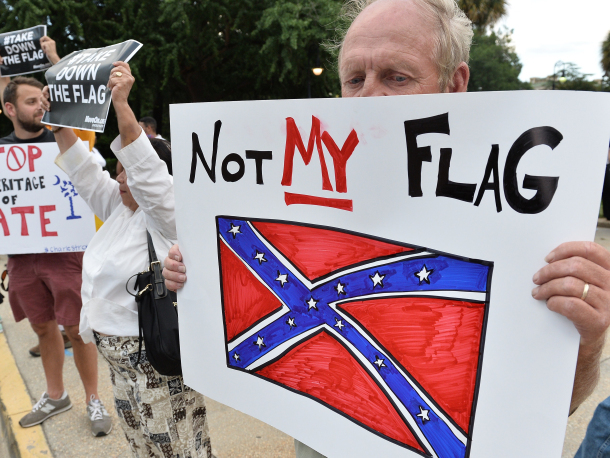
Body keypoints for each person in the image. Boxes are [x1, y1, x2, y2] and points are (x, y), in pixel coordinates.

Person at [163, 0, 610, 456]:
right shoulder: (301, 183)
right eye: (354, 80)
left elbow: (531, 419)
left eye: (396, 78)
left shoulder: (516, 217)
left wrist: (587, 342)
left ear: (455, 85)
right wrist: (197, 271)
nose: (368, 99)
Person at [43, 61, 212, 458]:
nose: (121, 179)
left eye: (127, 171)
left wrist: (121, 104)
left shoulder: (168, 214)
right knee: (143, 448)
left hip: (155, 363)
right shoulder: (121, 208)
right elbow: (85, 173)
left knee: (179, 449)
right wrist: (59, 125)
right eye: (118, 171)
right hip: (121, 369)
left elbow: (148, 174)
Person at [0, 75, 112, 436]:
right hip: (21, 258)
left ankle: (94, 398)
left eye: (41, 100)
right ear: (9, 109)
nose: (39, 107)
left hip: (66, 254)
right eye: (30, 102)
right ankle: (55, 395)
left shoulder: (67, 143)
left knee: (78, 330)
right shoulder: (2, 154)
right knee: (43, 327)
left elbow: (95, 183)